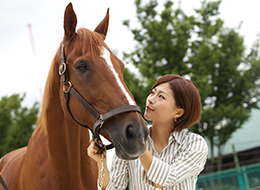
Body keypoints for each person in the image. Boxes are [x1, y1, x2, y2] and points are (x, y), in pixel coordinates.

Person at [87, 74, 208, 190]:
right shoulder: (130, 139)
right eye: (152, 92)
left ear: (178, 112)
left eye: (161, 96)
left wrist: (138, 143)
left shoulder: (194, 144)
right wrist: (101, 162)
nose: (150, 100)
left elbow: (165, 179)